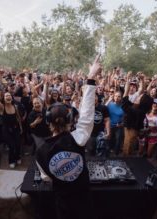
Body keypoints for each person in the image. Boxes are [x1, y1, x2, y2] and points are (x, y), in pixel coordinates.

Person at [35, 55, 101, 219]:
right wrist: (90, 78)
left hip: (63, 203)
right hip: (83, 200)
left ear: (48, 122)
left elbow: (46, 178)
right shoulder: (78, 138)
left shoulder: (40, 151)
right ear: (71, 120)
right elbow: (86, 113)